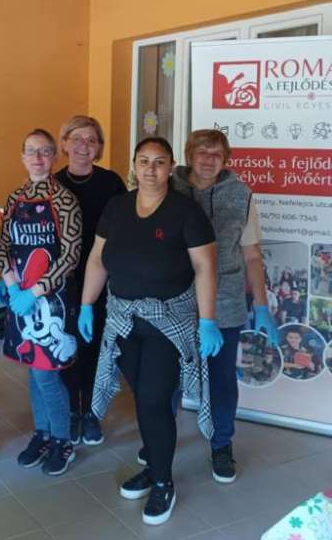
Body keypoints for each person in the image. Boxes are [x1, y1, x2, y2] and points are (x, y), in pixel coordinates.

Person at [78, 137, 220, 526]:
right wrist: (87, 304)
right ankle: (155, 462)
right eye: (143, 161)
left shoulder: (185, 211)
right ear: (134, 165)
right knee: (143, 398)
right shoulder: (117, 207)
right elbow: (97, 258)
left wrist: (207, 320)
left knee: (154, 401)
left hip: (168, 323)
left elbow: (205, 266)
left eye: (159, 162)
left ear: (171, 166)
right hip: (123, 320)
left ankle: (162, 482)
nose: (151, 169)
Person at [171, 128, 280, 484]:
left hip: (225, 300)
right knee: (166, 376)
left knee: (221, 379)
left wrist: (261, 306)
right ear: (189, 154)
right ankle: (160, 439)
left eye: (216, 154)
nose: (208, 160)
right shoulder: (168, 187)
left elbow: (252, 255)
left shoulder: (241, 195)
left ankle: (221, 445)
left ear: (226, 160)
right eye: (202, 152)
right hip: (173, 299)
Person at [0, 129, 83, 476]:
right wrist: (11, 286)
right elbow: (3, 247)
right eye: (31, 151)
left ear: (54, 158)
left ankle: (63, 440)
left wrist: (34, 292)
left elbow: (71, 255)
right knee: (34, 372)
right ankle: (43, 434)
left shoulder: (65, 200)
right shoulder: (15, 198)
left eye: (45, 151)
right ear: (22, 156)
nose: (37, 158)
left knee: (47, 376)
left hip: (53, 303)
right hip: (20, 300)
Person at [55, 115, 126, 446]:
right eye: (77, 139)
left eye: (91, 140)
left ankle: (92, 413)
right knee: (68, 345)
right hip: (63, 281)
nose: (84, 146)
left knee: (97, 346)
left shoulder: (111, 183)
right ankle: (72, 410)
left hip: (103, 278)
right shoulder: (52, 183)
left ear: (99, 148)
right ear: (65, 144)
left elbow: (125, 231)